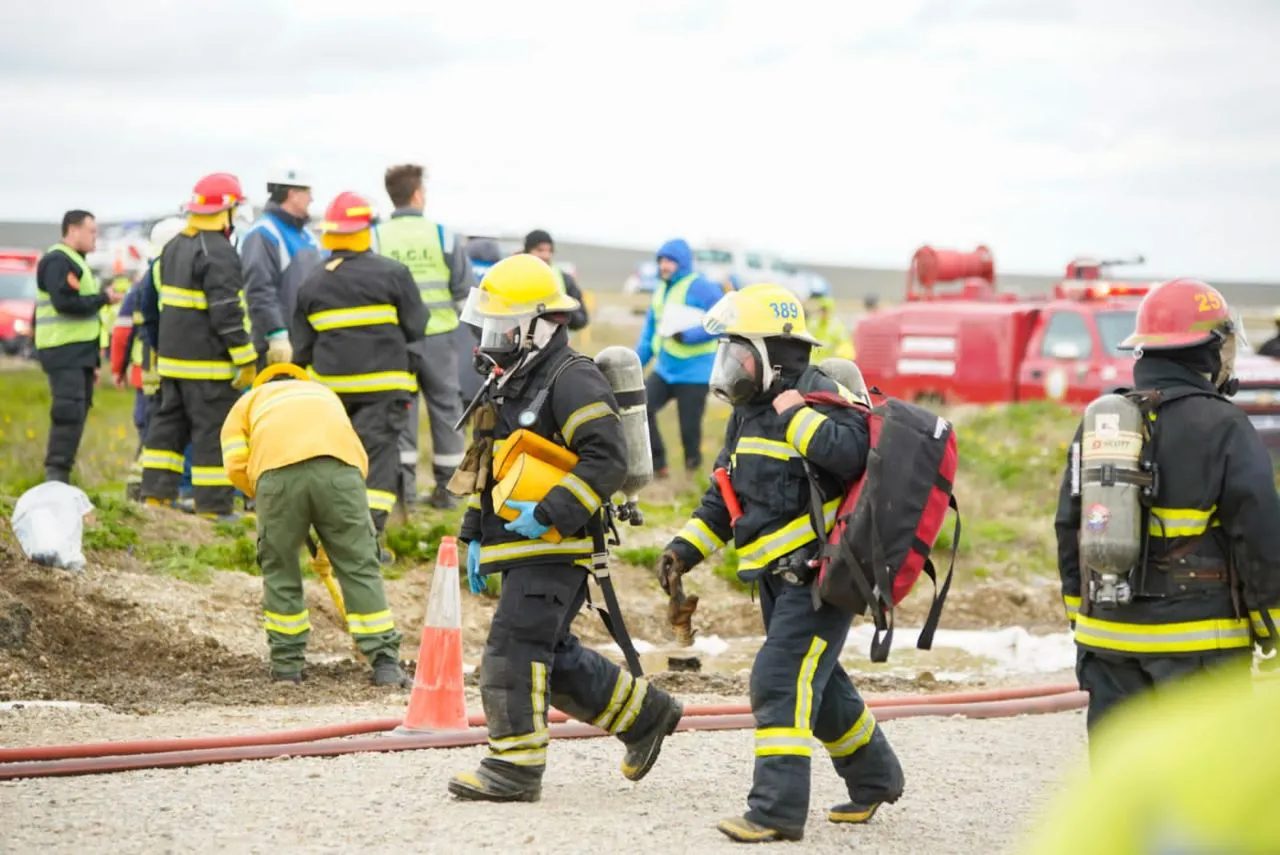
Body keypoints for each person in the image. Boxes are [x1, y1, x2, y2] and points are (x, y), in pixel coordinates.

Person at [659, 283, 904, 843]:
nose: (730, 365)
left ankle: (775, 810)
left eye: (738, 352)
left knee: (779, 679)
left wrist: (795, 413)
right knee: (823, 690)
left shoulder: (820, 393)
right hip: (776, 581)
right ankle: (876, 779)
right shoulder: (746, 413)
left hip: (822, 581)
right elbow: (725, 496)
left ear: (772, 353)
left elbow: (849, 452)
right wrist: (683, 550)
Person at [447, 254, 682, 803]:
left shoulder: (572, 378)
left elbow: (607, 461)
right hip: (519, 545)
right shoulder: (507, 381)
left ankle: (514, 768)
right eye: (490, 324)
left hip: (558, 544)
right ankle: (647, 716)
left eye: (503, 324)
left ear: (537, 324)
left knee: (513, 646)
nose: (492, 335)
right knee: (550, 654)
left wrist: (549, 513)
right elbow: (486, 464)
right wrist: (476, 534)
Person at [1055, 278, 1280, 739]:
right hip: (1199, 645)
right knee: (1205, 792)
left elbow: (1069, 524)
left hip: (1107, 641)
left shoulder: (1103, 420)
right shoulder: (1225, 425)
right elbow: (1258, 532)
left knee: (1125, 789)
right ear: (1206, 351)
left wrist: (1083, 616)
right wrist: (1272, 629)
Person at [220, 363, 411, 687]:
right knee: (360, 567)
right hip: (343, 476)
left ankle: (286, 669)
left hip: (276, 479)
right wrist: (338, 519)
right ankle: (386, 665)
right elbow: (354, 453)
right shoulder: (324, 394)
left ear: (263, 383)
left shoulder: (248, 402)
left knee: (281, 569)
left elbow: (236, 462)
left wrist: (263, 495)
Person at [1020, 665, 1280, 855]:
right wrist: (1266, 630)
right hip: (1200, 633)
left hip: (1107, 640)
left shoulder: (1140, 765)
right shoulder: (1253, 738)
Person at [291, 191, 427, 545]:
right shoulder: (393, 274)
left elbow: (301, 349)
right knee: (377, 459)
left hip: (331, 394)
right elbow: (417, 325)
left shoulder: (312, 282)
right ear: (367, 229)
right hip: (385, 389)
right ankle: (366, 539)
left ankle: (327, 530)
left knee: (334, 460)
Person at [140, 173, 257, 520]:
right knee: (212, 433)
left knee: (167, 430)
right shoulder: (219, 252)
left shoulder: (174, 246)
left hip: (173, 364)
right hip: (207, 367)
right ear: (227, 211)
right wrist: (245, 357)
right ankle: (214, 508)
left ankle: (155, 498)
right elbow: (227, 312)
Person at [373, 163, 474, 510]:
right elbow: (464, 291)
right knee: (447, 409)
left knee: (402, 409)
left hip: (395, 340)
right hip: (439, 337)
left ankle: (405, 491)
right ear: (417, 194)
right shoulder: (444, 235)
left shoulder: (377, 236)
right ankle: (448, 490)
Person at [33, 210, 122, 484]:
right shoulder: (58, 261)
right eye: (92, 231)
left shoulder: (76, 262)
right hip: (63, 349)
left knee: (77, 412)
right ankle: (55, 478)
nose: (96, 238)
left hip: (78, 353)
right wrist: (103, 298)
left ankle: (61, 476)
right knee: (68, 412)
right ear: (73, 230)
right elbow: (66, 303)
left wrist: (93, 362)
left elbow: (87, 322)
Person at [635, 238, 723, 478]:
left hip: (695, 373)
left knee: (689, 429)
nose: (664, 265)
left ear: (682, 263)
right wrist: (634, 364)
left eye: (670, 261)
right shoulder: (661, 289)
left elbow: (723, 321)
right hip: (665, 370)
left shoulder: (702, 287)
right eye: (661, 260)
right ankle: (659, 466)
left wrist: (689, 336)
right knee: (641, 409)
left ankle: (691, 475)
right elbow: (649, 333)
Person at [240, 159, 322, 368]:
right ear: (292, 194)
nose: (311, 198)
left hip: (307, 346)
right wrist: (276, 335)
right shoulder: (264, 234)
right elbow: (259, 290)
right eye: (307, 192)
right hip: (280, 348)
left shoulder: (307, 235)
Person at [524, 229, 588, 331]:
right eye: (540, 250)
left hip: (555, 345)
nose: (545, 255)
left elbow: (582, 320)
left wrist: (562, 312)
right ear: (527, 251)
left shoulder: (564, 279)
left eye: (549, 251)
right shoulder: (514, 275)